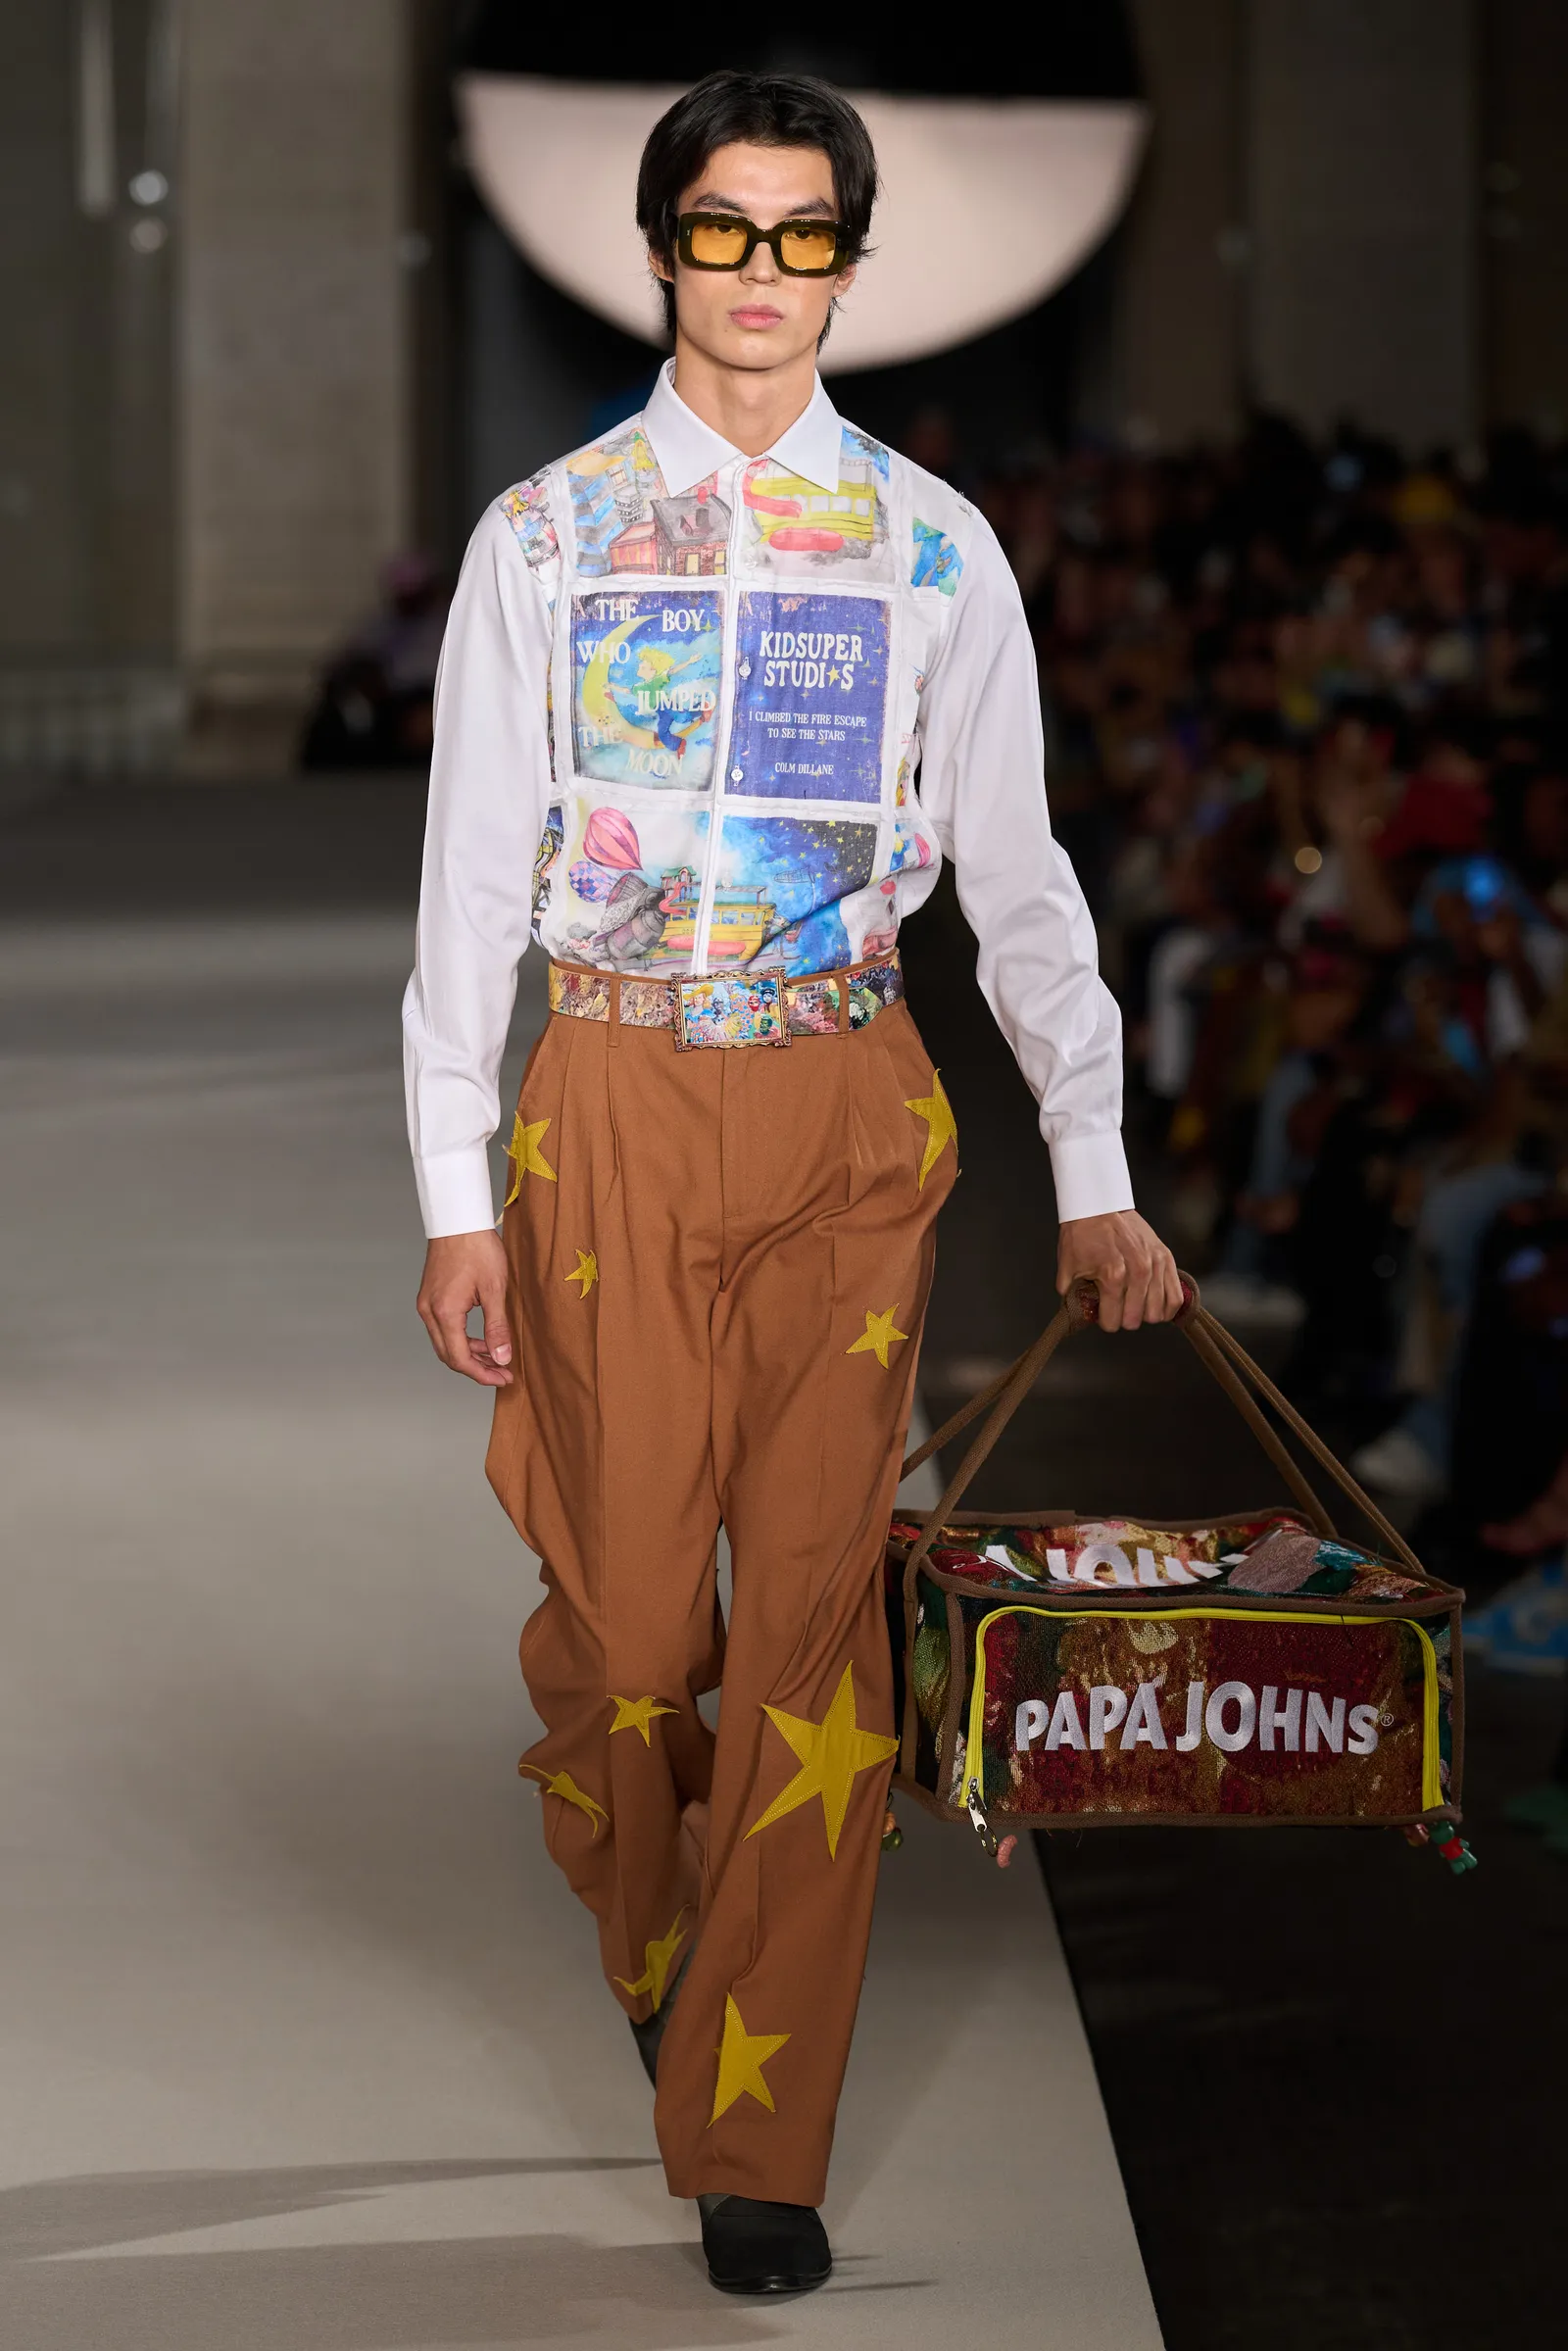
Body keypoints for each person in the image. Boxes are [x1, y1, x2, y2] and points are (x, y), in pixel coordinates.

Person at [403, 71, 1179, 2298]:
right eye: (720, 232)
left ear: (847, 258)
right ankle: (659, 1924)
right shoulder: (544, 540)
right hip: (613, 1105)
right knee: (639, 1639)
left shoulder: (932, 549)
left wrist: (1094, 1160)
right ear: (660, 249)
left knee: (816, 1636)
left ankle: (762, 2125)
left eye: (799, 233)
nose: (759, 275)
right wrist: (457, 1182)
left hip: (848, 1116)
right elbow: (470, 876)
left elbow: (1016, 879)